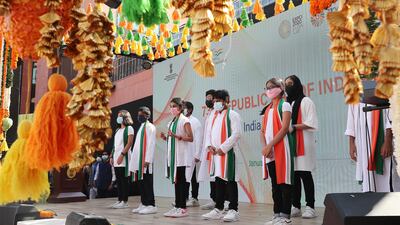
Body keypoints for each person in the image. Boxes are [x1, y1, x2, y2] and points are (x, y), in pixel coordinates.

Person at [202, 90, 242, 222]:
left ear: (227, 100)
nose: (216, 103)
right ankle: (218, 208)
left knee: (230, 181)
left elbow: (236, 134)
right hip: (216, 154)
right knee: (218, 181)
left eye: (219, 100)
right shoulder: (213, 116)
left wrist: (222, 148)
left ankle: (233, 210)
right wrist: (209, 146)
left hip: (228, 153)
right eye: (215, 101)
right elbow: (208, 133)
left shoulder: (233, 115)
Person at [260, 78, 293, 225]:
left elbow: (284, 128)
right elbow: (262, 131)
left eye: (273, 87)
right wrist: (265, 147)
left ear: (280, 88)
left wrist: (270, 145)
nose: (269, 90)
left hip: (282, 149)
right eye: (267, 87)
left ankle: (285, 216)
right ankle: (277, 213)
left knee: (284, 183)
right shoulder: (267, 109)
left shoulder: (285, 105)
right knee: (275, 185)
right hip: (270, 151)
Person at [345, 103, 399, 192]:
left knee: (388, 180)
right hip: (363, 143)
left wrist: (388, 140)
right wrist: (351, 143)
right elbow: (351, 116)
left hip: (382, 139)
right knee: (368, 180)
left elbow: (391, 112)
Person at [285, 75, 318, 219]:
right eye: (286, 84)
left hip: (304, 144)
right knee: (295, 177)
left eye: (290, 84)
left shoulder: (306, 101)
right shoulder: (287, 104)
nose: (287, 87)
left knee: (305, 175)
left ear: (297, 85)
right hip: (291, 144)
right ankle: (296, 206)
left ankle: (310, 207)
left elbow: (311, 123)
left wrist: (294, 126)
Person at [161, 97, 194, 218]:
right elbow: (172, 138)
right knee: (176, 182)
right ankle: (177, 206)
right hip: (173, 157)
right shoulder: (172, 122)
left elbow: (191, 138)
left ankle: (183, 208)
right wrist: (166, 138)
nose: (172, 109)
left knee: (181, 182)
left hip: (181, 157)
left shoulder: (184, 120)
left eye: (174, 106)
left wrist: (176, 136)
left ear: (180, 108)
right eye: (170, 106)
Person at [130, 106, 157, 215]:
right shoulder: (142, 126)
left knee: (147, 182)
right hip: (138, 160)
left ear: (147, 115)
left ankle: (151, 205)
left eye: (141, 115)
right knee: (141, 182)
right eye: (138, 115)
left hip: (145, 161)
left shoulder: (150, 127)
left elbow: (151, 144)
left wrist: (147, 160)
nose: (139, 117)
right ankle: (144, 203)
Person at [198, 89, 219, 210]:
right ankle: (214, 199)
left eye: (210, 97)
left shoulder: (218, 112)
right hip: (208, 148)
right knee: (211, 174)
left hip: (217, 149)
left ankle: (224, 200)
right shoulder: (208, 113)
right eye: (206, 98)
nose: (208, 100)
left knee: (220, 175)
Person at [110, 110, 134, 209]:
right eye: (117, 116)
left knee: (124, 181)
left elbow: (129, 143)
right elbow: (115, 146)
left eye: (120, 116)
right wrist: (111, 156)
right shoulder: (117, 130)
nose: (118, 118)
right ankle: (119, 200)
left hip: (124, 159)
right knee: (119, 181)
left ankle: (125, 201)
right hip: (116, 159)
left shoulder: (129, 128)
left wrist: (122, 155)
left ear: (125, 118)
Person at [183, 101, 203, 207]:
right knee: (185, 177)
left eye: (184, 108)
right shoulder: (183, 121)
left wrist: (197, 154)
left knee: (194, 177)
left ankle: (194, 198)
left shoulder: (195, 122)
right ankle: (184, 198)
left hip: (193, 154)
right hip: (185, 155)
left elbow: (199, 139)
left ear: (190, 109)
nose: (183, 109)